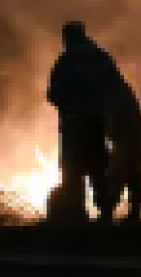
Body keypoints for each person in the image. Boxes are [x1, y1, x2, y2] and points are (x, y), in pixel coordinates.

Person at [46, 22, 115, 222]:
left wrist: (68, 105)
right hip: (96, 126)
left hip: (74, 126)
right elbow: (113, 88)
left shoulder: (65, 62)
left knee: (73, 171)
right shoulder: (101, 58)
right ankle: (105, 212)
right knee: (98, 169)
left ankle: (77, 214)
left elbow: (53, 94)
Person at [102, 69, 141, 223]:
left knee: (119, 172)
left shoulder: (111, 92)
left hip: (129, 135)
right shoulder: (118, 88)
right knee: (134, 172)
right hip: (135, 134)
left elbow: (110, 119)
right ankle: (133, 212)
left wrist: (110, 133)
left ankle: (109, 213)